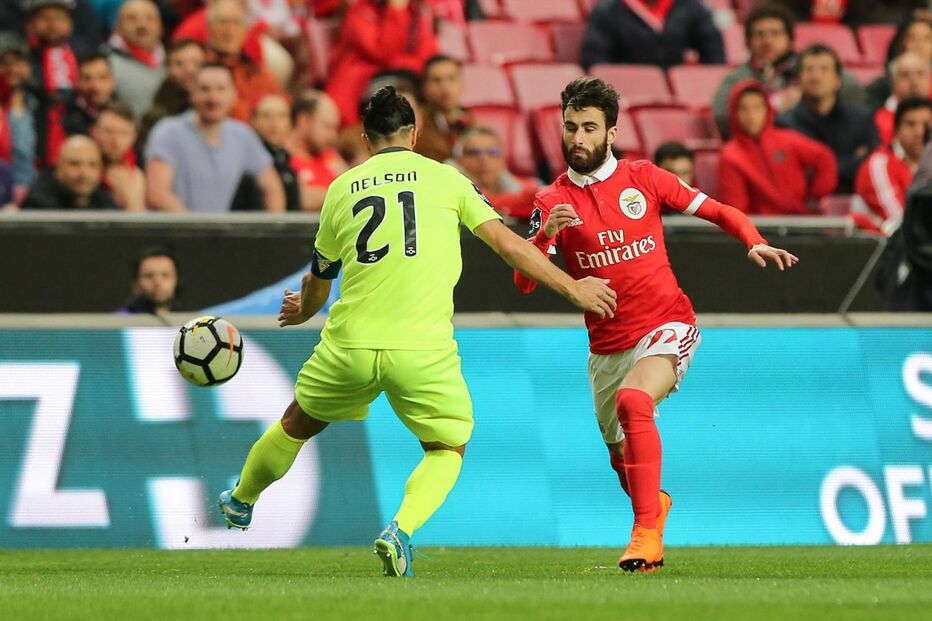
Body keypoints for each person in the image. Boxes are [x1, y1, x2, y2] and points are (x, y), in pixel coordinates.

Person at [216, 86, 617, 578]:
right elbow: (510, 247)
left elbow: (319, 281)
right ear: (415, 132)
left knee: (298, 422)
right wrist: (573, 288)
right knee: (447, 447)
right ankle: (400, 530)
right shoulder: (447, 180)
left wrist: (303, 312)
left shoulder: (341, 188)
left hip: (350, 344)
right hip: (421, 349)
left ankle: (241, 499)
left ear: (364, 138)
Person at [513, 77, 796, 572]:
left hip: (667, 324)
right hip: (606, 347)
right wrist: (544, 239)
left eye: (588, 128)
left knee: (634, 401)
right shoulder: (548, 202)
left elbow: (718, 209)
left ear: (612, 132)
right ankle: (653, 506)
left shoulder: (643, 178)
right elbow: (523, 284)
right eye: (570, 127)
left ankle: (646, 535)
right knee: (621, 459)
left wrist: (752, 240)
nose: (577, 138)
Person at [145, 63, 285, 213]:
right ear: (192, 93)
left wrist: (275, 229)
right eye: (205, 89)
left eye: (221, 89)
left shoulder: (242, 135)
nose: (213, 97)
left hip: (216, 233)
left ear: (234, 95)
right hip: (172, 233)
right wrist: (195, 230)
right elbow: (157, 194)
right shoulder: (168, 131)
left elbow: (273, 188)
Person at [711, 3, 865, 137]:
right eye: (760, 34)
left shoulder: (809, 65)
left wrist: (813, 93)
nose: (767, 40)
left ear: (790, 39)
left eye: (775, 33)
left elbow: (851, 88)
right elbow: (722, 117)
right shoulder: (737, 78)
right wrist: (773, 105)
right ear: (748, 42)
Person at [719, 81, 837, 215]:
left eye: (757, 107)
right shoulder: (730, 155)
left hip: (801, 222)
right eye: (743, 108)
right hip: (762, 229)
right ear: (734, 113)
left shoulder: (787, 140)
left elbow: (824, 156)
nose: (751, 115)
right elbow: (736, 211)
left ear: (767, 109)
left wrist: (816, 195)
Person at [776, 44, 878, 194]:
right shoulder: (783, 123)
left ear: (838, 80)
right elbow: (791, 175)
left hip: (853, 200)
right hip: (803, 207)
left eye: (824, 69)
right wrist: (850, 162)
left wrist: (820, 168)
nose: (816, 77)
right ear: (799, 79)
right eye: (809, 70)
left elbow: (872, 165)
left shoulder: (861, 119)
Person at [326, 0, 438, 126]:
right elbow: (383, 51)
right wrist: (397, 10)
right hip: (359, 85)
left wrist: (398, 63)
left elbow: (427, 56)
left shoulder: (419, 10)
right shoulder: (360, 12)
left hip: (404, 75)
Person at [855, 97, 932, 233]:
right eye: (911, 124)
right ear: (896, 131)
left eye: (927, 125)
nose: (919, 132)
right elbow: (900, 220)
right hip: (888, 248)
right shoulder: (878, 164)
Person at [581, 0, 724, 69]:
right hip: (625, 94)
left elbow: (713, 50)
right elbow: (597, 64)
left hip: (672, 95)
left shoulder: (688, 6)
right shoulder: (608, 10)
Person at [203, 0, 282, 123]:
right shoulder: (197, 66)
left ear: (245, 31)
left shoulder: (257, 71)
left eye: (236, 23)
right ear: (209, 28)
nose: (229, 31)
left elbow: (279, 104)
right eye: (223, 22)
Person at [24, 0, 78, 167]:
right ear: (30, 24)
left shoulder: (81, 58)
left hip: (74, 142)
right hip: (32, 141)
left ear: (71, 24)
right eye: (45, 18)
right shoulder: (21, 59)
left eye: (59, 18)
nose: (52, 24)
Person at [453, 126, 538, 219]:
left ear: (503, 158)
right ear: (459, 159)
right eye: (474, 152)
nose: (484, 159)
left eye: (493, 152)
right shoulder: (451, 186)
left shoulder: (527, 187)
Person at [138, 38, 205, 150]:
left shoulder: (216, 106)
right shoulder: (155, 115)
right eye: (179, 64)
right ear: (167, 70)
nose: (189, 70)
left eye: (196, 63)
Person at [22, 134, 118, 209]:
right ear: (58, 167)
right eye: (75, 164)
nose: (84, 173)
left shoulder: (106, 203)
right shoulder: (38, 205)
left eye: (92, 165)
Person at [105, 0, 165, 120]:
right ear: (118, 26)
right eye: (132, 18)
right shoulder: (105, 61)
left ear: (161, 26)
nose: (142, 25)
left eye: (150, 18)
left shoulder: (172, 60)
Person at [288, 90, 347, 211]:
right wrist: (342, 195)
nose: (333, 136)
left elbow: (355, 190)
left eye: (335, 128)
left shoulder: (330, 156)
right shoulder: (283, 158)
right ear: (303, 121)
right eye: (327, 127)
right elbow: (303, 199)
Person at [245, 93, 301, 212]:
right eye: (266, 116)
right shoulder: (247, 162)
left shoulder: (287, 161)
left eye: (281, 116)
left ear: (291, 123)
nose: (274, 123)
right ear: (253, 121)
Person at [0, 31, 38, 196]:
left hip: (36, 194)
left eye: (18, 62)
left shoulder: (41, 106)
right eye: (4, 63)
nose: (12, 69)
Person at [415, 54, 471, 163]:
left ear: (462, 84)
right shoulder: (417, 126)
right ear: (424, 87)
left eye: (452, 79)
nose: (445, 88)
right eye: (436, 80)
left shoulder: (471, 122)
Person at [90, 101, 145, 211]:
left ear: (133, 137)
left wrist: (129, 199)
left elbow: (137, 224)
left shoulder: (136, 176)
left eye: (124, 133)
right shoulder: (77, 164)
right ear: (94, 132)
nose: (115, 141)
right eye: (109, 132)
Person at [873, 52, 931, 146]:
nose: (914, 82)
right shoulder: (878, 121)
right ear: (893, 83)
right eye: (905, 75)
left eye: (920, 74)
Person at [65, 51, 116, 135]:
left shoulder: (123, 113)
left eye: (102, 77)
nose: (95, 87)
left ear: (112, 81)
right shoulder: (64, 116)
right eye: (86, 79)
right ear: (76, 82)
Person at [118, 246, 179, 316]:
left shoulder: (191, 323)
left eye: (165, 275)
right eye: (149, 276)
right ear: (135, 284)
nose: (157, 283)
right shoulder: (118, 322)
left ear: (176, 280)